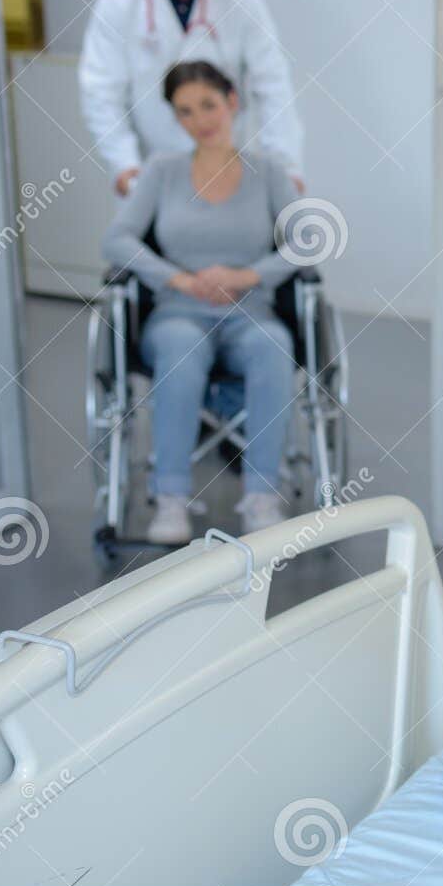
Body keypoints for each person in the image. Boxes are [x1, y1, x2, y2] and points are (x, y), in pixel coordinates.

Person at [101, 61, 300, 544]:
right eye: (185, 111)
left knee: (274, 346)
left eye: (208, 105)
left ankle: (261, 496)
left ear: (232, 101)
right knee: (181, 351)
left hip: (250, 311)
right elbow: (118, 239)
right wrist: (181, 281)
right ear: (176, 118)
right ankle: (170, 498)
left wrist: (246, 274)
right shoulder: (162, 172)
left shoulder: (269, 171)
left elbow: (302, 243)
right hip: (177, 313)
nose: (200, 119)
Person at [79, 0, 304, 200]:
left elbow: (273, 88)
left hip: (227, 171)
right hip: (149, 174)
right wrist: (123, 163)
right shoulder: (116, 4)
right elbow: (101, 92)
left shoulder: (242, 4)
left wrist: (286, 168)